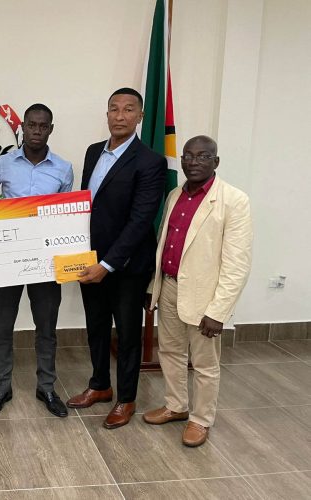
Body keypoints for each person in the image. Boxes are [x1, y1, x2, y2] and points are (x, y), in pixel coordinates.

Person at [0, 104, 74, 418]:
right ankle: (2, 386)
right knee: (1, 327)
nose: (37, 131)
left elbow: (67, 218)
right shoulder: (3, 164)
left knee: (47, 327)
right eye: (32, 125)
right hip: (7, 261)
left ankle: (47, 387)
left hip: (46, 262)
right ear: (22, 127)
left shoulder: (64, 169)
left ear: (50, 129)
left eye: (43, 126)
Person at [67, 88, 166, 429]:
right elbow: (85, 208)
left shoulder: (151, 161)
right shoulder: (94, 152)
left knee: (126, 334)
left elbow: (141, 221)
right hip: (89, 260)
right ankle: (100, 386)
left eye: (128, 110)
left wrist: (106, 265)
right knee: (95, 326)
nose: (120, 116)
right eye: (114, 109)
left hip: (125, 267)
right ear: (106, 114)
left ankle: (126, 398)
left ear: (140, 116)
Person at [143, 135, 252, 447]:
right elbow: (166, 247)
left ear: (215, 162)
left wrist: (218, 312)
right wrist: (155, 287)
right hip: (170, 287)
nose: (193, 162)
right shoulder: (175, 194)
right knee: (170, 352)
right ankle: (176, 406)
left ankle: (200, 420)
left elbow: (237, 264)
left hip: (205, 299)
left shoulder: (234, 200)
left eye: (203, 156)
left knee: (204, 364)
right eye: (188, 156)